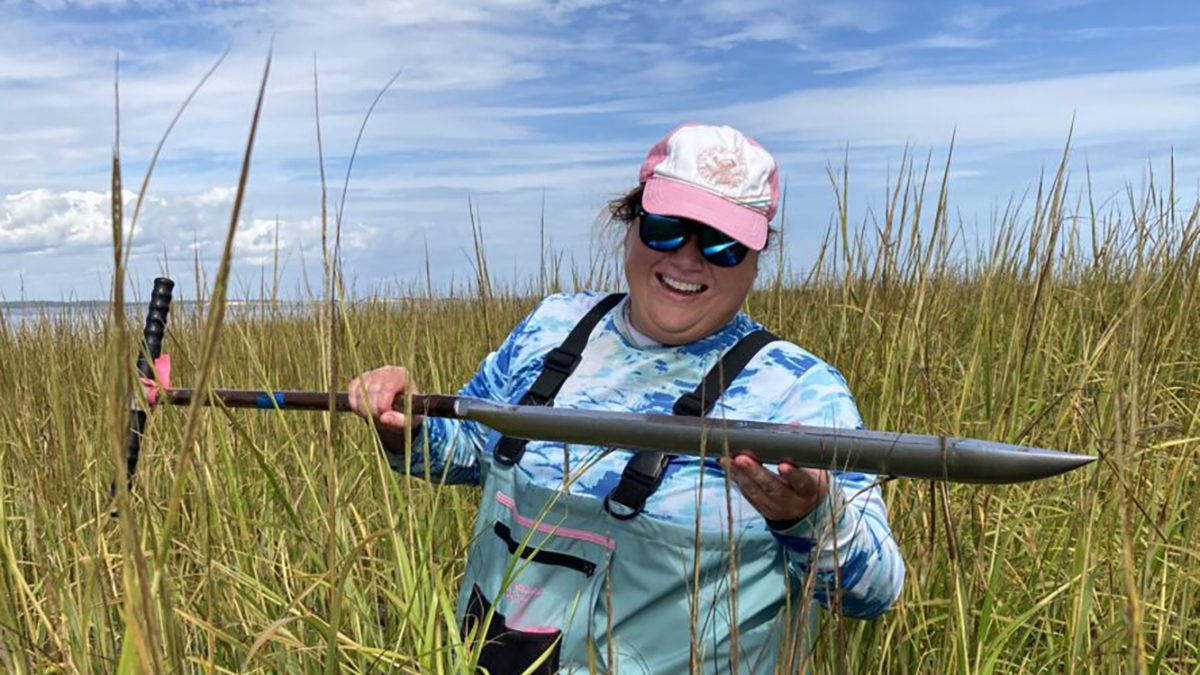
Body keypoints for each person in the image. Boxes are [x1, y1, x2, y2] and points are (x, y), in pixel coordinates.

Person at [349, 123, 904, 673]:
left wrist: (810, 517)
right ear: (630, 223)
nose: (689, 258)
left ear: (756, 262)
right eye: (666, 227)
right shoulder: (552, 325)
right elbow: (467, 450)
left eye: (724, 244)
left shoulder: (798, 390)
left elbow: (873, 593)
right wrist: (406, 423)